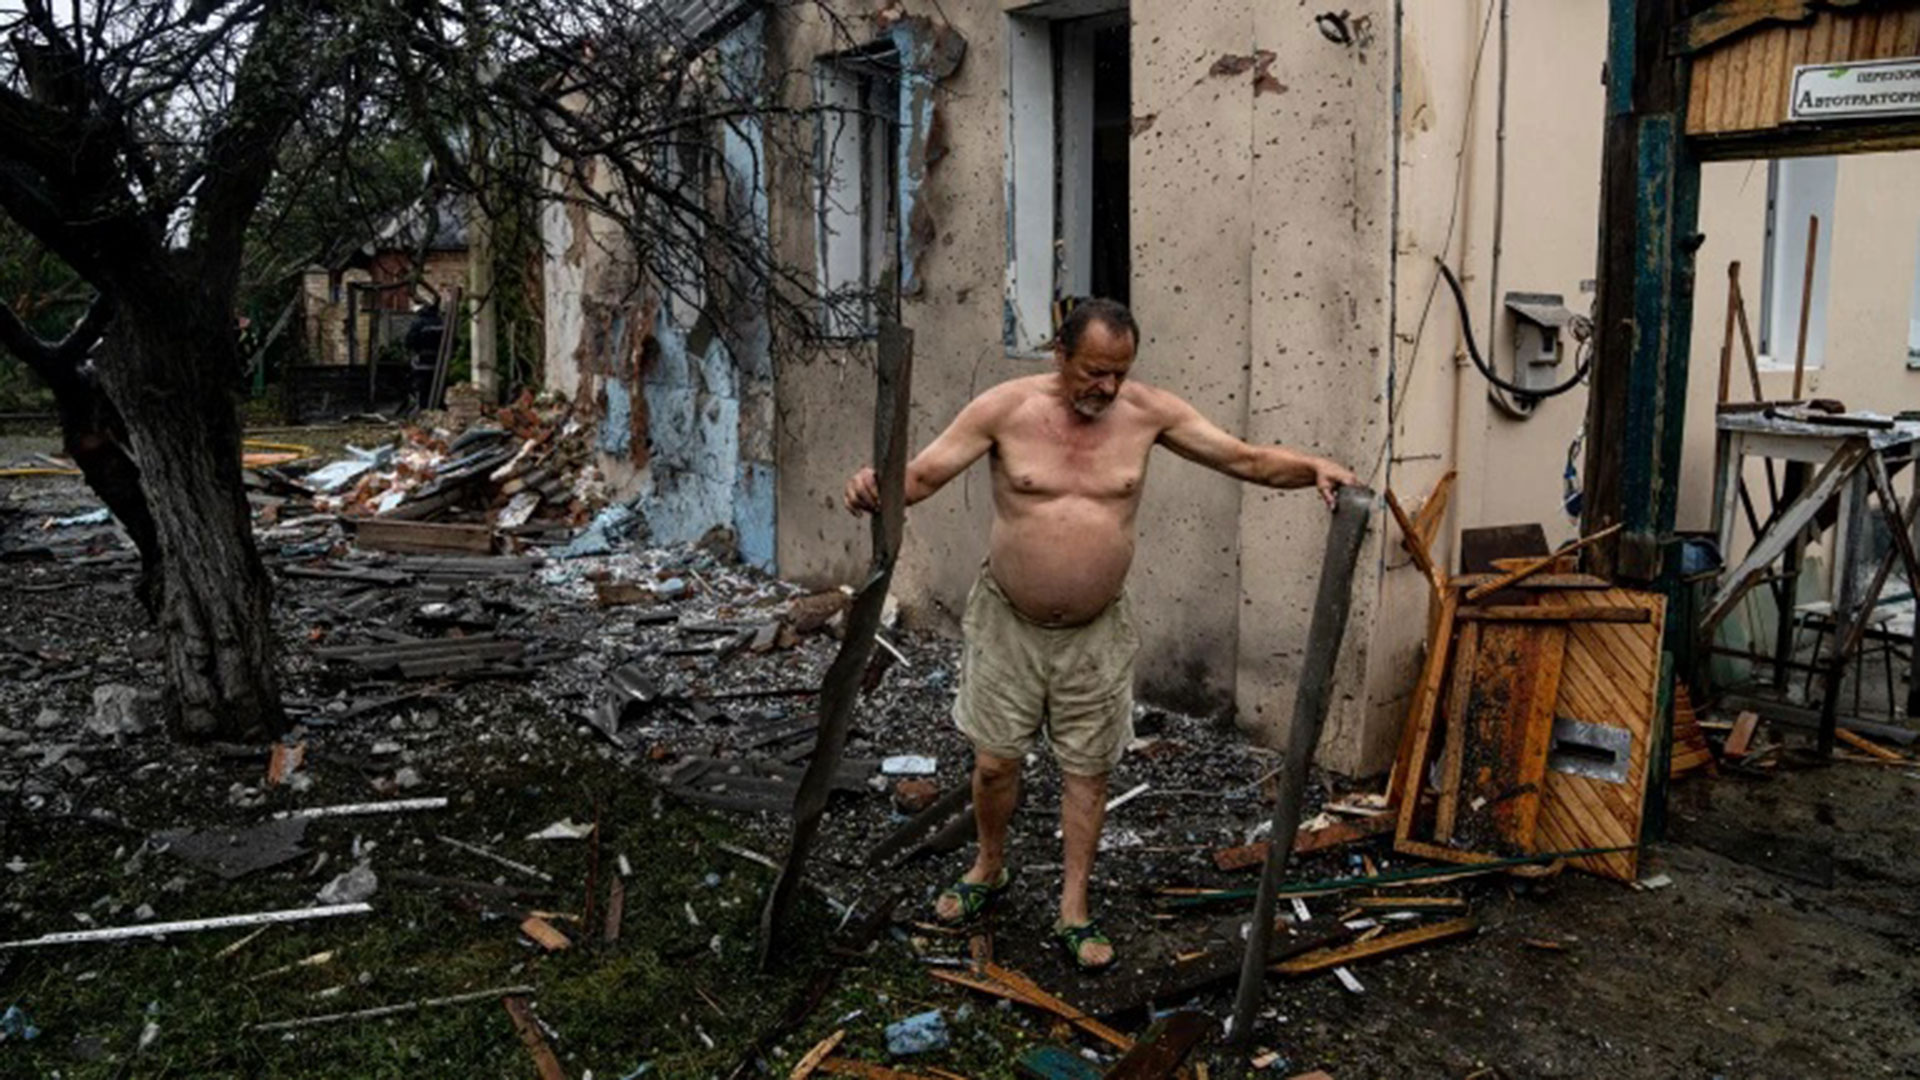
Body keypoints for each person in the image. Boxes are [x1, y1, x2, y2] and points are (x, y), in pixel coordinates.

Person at [843, 298, 1358, 971]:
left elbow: (1248, 460)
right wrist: (872, 485)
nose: (1107, 388)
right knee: (996, 761)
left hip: (1096, 632)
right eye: (1093, 372)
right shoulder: (1004, 408)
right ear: (1059, 353)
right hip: (1008, 623)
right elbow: (923, 477)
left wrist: (1313, 467)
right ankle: (989, 867)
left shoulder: (1149, 413)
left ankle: (1074, 908)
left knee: (1088, 771)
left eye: (1118, 373)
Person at [404, 300, 445, 412]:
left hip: (422, 362)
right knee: (438, 388)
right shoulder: (442, 322)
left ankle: (424, 410)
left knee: (423, 389)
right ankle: (438, 409)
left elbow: (410, 341)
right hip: (440, 362)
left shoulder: (418, 323)